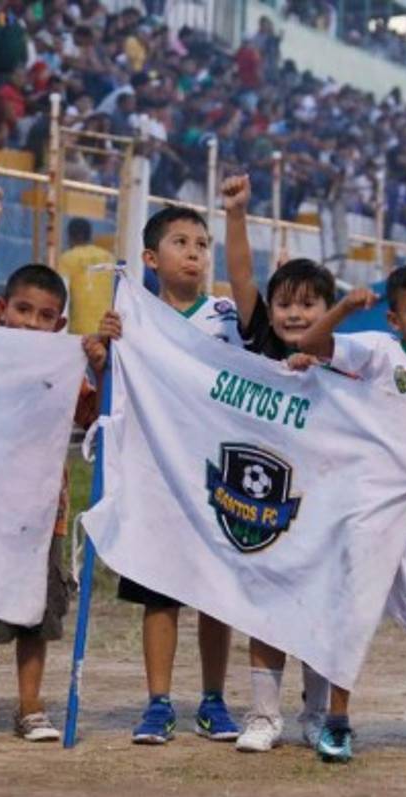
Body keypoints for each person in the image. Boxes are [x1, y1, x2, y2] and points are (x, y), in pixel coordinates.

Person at [295, 263, 406, 763]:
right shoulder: (377, 351)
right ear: (395, 319)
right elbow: (310, 342)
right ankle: (337, 720)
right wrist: (346, 307)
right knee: (351, 618)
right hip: (367, 510)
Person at [0, 260, 118, 742]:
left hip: (46, 515)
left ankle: (31, 707)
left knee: (38, 617)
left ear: (59, 325)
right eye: (22, 309)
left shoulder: (64, 371)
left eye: (44, 315)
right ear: (2, 311)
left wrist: (99, 366)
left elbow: (96, 417)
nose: (30, 322)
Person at [216, 173, 338, 753]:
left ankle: (316, 715)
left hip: (320, 507)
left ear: (329, 311)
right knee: (265, 611)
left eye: (308, 305)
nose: (293, 315)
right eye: (285, 304)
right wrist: (238, 215)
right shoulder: (261, 340)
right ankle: (264, 715)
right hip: (262, 502)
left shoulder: (344, 361)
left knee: (316, 613)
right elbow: (241, 276)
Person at [120, 204, 244, 745]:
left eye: (201, 243)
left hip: (217, 473)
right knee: (159, 593)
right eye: (180, 243)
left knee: (216, 594)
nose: (193, 253)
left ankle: (213, 699)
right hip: (157, 474)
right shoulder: (133, 316)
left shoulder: (227, 317)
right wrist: (105, 347)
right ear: (151, 258)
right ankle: (158, 701)